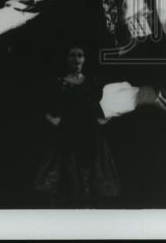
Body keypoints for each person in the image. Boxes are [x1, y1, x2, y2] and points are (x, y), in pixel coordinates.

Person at [32, 46, 121, 206]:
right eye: (72, 55)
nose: (76, 58)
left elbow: (100, 104)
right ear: (67, 59)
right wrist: (51, 119)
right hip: (66, 132)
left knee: (88, 172)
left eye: (80, 55)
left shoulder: (92, 82)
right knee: (67, 173)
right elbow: (43, 105)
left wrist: (104, 118)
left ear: (84, 59)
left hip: (89, 132)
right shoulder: (59, 82)